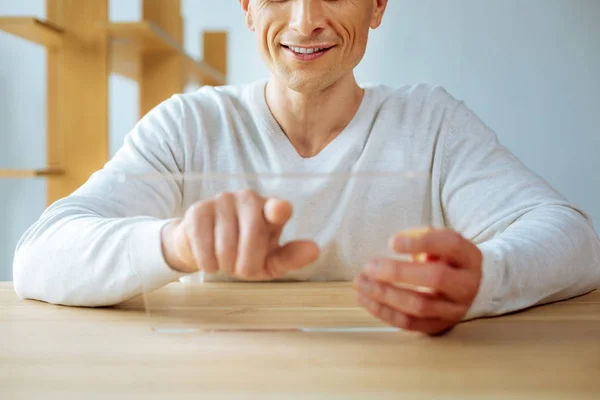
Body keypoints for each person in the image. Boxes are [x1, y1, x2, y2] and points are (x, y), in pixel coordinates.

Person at [12, 0, 600, 335]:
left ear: (376, 7)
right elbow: (39, 254)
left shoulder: (431, 122)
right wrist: (176, 243)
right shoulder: (189, 125)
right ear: (245, 7)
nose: (303, 21)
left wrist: (486, 278)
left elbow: (572, 237)